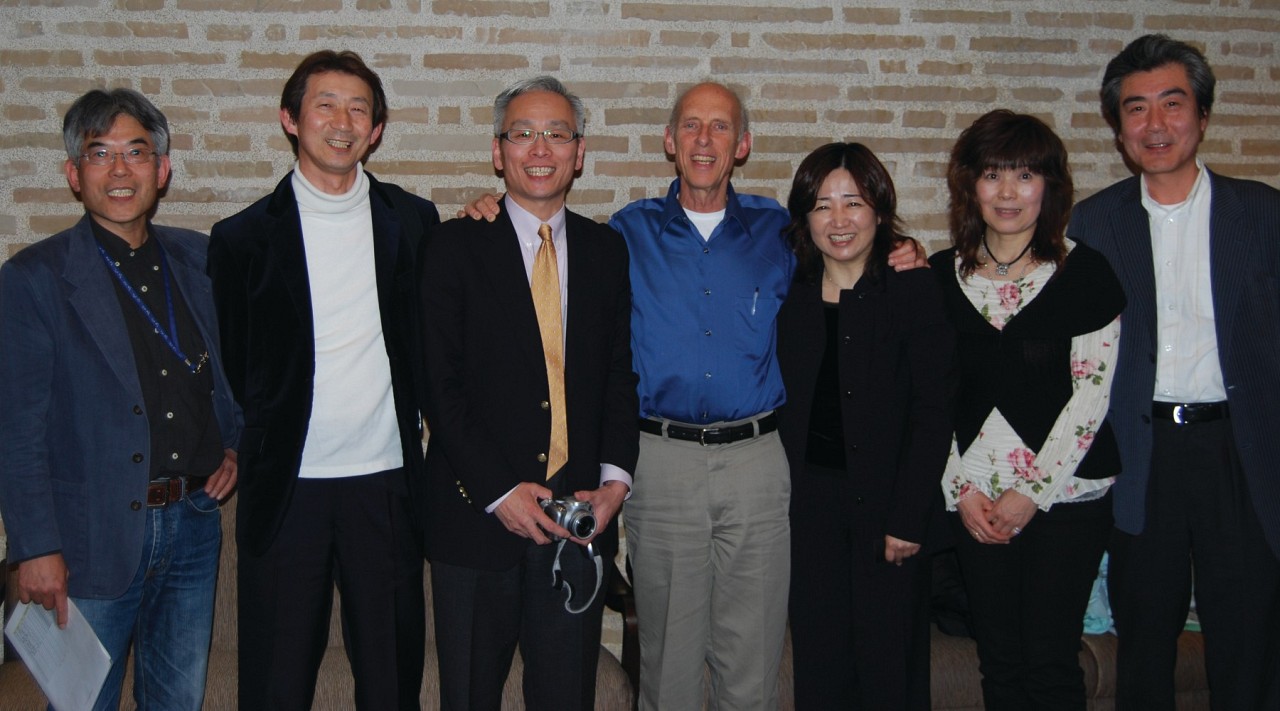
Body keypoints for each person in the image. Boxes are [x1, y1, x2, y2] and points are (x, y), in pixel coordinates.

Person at [461, 81, 921, 710]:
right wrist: (487, 207)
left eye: (721, 127)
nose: (705, 139)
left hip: (758, 462)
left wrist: (902, 249)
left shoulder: (784, 235)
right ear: (669, 143)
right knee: (669, 663)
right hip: (663, 461)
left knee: (751, 659)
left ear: (744, 144)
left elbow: (852, 256)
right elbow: (546, 245)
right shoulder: (624, 234)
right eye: (692, 126)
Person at [207, 50, 438, 710]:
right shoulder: (242, 238)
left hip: (387, 485)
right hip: (287, 490)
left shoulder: (415, 223)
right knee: (276, 685)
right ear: (290, 118)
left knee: (392, 683)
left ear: (377, 129)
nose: (342, 121)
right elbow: (231, 363)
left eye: (359, 108)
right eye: (325, 105)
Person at [0, 88, 241, 710]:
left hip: (192, 525)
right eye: (99, 153)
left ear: (162, 170)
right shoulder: (33, 280)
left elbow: (240, 371)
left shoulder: (201, 259)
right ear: (73, 174)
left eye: (136, 152)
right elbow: (16, 430)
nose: (119, 169)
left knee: (177, 701)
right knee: (83, 703)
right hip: (87, 539)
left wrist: (235, 443)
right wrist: (33, 547)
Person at [1068, 34, 1280, 710]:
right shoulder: (1094, 223)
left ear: (1203, 114)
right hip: (1141, 453)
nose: (1155, 125)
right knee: (1146, 643)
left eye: (1172, 103)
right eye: (1136, 109)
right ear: (1119, 128)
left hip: (1240, 451)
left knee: (1248, 643)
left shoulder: (1264, 214)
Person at [418, 75, 638, 711]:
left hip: (579, 521)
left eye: (556, 134)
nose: (539, 148)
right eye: (523, 133)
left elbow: (621, 375)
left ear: (579, 152)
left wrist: (616, 483)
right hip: (474, 520)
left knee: (567, 696)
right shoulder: (452, 245)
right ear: (498, 151)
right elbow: (440, 383)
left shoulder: (606, 252)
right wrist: (498, 491)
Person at [930, 109, 1125, 710]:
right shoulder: (937, 277)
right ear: (970, 185)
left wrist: (1029, 493)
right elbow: (926, 397)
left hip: (1062, 500)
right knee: (1001, 665)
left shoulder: (1084, 273)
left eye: (1024, 175)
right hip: (975, 501)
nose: (1008, 192)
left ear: (1050, 186)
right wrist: (961, 490)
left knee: (1050, 665)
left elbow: (1091, 397)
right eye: (992, 175)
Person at [775, 142, 954, 710]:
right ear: (805, 218)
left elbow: (935, 411)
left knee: (888, 671)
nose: (839, 220)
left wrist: (908, 516)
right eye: (823, 206)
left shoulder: (914, 289)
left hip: (888, 509)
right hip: (810, 511)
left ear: (879, 208)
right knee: (820, 668)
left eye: (853, 202)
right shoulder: (790, 295)